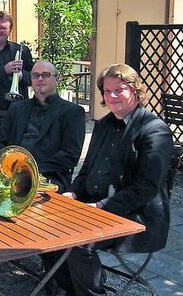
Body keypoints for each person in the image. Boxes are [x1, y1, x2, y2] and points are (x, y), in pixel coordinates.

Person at [60, 63, 173, 295]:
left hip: (137, 217)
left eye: (119, 89)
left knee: (78, 241)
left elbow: (146, 188)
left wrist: (101, 207)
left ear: (135, 91)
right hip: (96, 208)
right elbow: (86, 169)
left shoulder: (154, 130)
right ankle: (66, 287)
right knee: (52, 225)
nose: (112, 96)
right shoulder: (103, 125)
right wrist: (72, 191)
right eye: (107, 91)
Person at [0, 60, 85, 192]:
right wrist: (6, 165)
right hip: (10, 174)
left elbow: (70, 155)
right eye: (35, 75)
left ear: (57, 79)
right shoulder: (16, 108)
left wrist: (29, 170)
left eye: (45, 75)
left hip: (49, 178)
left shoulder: (73, 112)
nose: (40, 79)